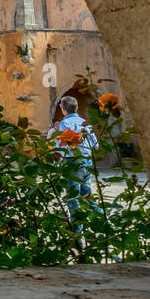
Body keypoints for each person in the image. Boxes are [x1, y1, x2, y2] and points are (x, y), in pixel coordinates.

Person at [47, 96, 102, 227]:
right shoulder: (85, 123)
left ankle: (77, 230)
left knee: (73, 198)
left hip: (72, 163)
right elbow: (96, 146)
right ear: (76, 108)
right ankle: (101, 219)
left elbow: (60, 146)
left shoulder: (62, 125)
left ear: (62, 109)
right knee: (86, 195)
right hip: (87, 162)